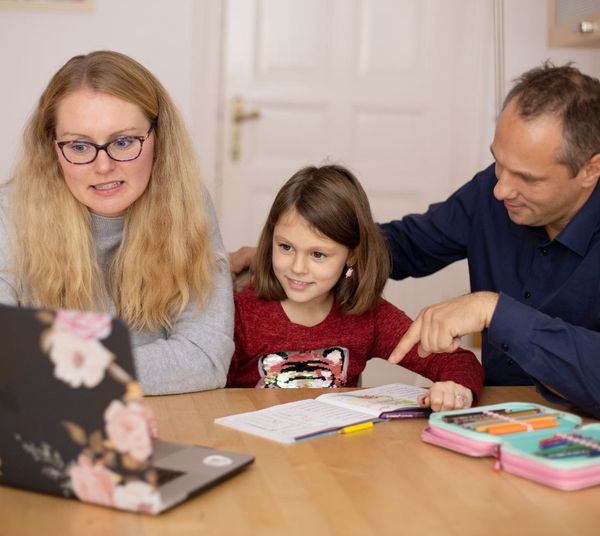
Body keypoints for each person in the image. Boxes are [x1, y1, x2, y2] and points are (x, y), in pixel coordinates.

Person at [230, 63, 600, 418]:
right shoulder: (491, 191)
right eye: (498, 164)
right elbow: (406, 243)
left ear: (590, 169)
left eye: (527, 178)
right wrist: (322, 243)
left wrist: (494, 310)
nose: (501, 189)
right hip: (494, 412)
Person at [0, 50, 234, 395]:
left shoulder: (188, 203)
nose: (104, 166)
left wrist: (58, 366)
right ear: (52, 148)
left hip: (166, 418)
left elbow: (205, 357)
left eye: (123, 142)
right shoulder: (9, 214)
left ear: (159, 138)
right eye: (79, 146)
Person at [227, 165, 483, 411]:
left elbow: (458, 360)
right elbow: (209, 394)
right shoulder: (242, 314)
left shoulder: (368, 316)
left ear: (352, 256)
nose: (297, 267)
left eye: (317, 254)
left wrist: (455, 388)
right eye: (285, 247)